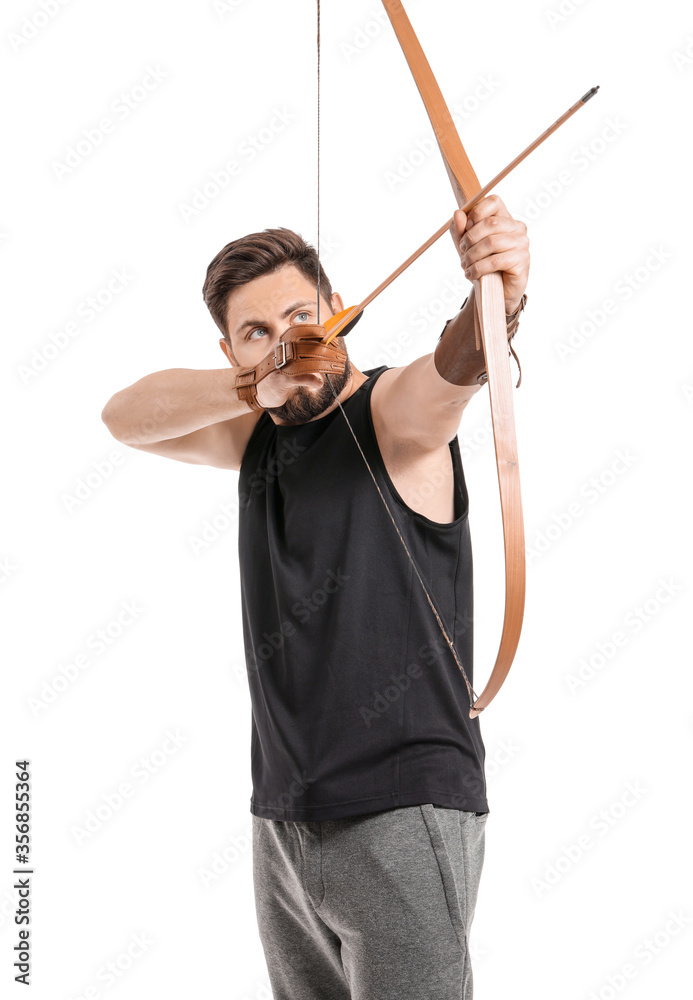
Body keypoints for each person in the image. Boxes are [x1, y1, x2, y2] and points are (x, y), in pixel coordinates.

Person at [101, 194, 529, 999]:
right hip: (283, 820)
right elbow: (124, 417)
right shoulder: (253, 430)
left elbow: (452, 372)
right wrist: (255, 385)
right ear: (230, 349)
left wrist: (497, 290)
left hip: (401, 807)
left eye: (302, 315)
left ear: (338, 311)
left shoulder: (391, 413)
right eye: (256, 331)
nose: (287, 338)